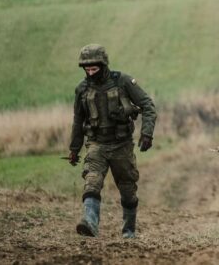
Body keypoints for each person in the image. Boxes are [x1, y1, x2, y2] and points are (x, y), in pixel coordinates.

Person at [67, 44, 156, 238]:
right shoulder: (82, 89)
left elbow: (148, 105)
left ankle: (129, 231)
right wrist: (74, 149)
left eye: (94, 69)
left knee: (128, 190)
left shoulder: (123, 81)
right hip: (96, 143)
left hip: (122, 144)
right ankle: (90, 222)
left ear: (103, 65)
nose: (90, 73)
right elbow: (78, 121)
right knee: (92, 181)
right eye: (87, 69)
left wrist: (147, 134)